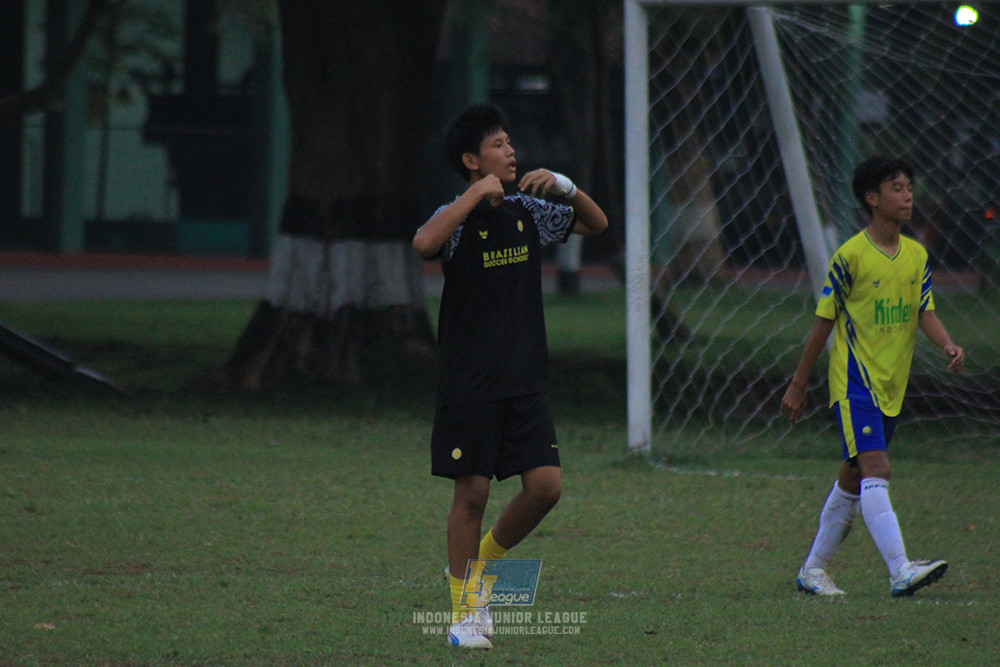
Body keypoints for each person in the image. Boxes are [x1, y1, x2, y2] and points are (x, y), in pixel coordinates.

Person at [412, 103, 607, 649]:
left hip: (525, 378)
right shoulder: (455, 217)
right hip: (468, 380)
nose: (511, 151)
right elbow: (424, 245)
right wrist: (473, 197)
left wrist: (567, 187)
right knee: (471, 494)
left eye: (510, 143)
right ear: (472, 161)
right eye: (498, 145)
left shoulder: (528, 211)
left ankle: (486, 568)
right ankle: (465, 617)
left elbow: (597, 223)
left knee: (546, 487)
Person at [781, 156, 965, 598]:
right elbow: (822, 324)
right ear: (872, 198)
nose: (907, 196)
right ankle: (900, 569)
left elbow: (925, 311)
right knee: (876, 467)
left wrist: (947, 345)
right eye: (897, 188)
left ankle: (813, 570)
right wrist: (798, 384)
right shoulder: (850, 257)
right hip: (854, 383)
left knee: (852, 476)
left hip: (891, 387)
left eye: (909, 187)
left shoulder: (916, 255)